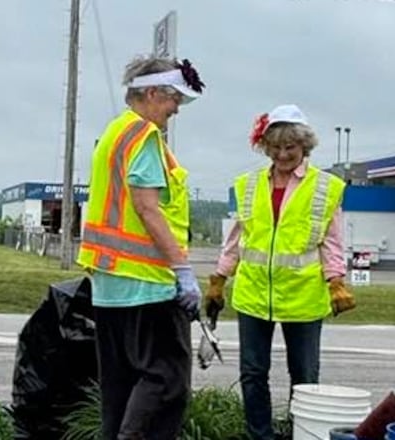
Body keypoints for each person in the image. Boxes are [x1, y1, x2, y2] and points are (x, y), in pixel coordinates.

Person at [204, 104, 355, 440]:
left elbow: (330, 242)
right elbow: (236, 239)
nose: (283, 154)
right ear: (265, 147)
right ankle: (261, 435)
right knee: (253, 373)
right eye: (275, 147)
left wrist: (337, 282)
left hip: (303, 298)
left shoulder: (325, 187)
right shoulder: (247, 184)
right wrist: (218, 279)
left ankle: (301, 433)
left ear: (305, 147)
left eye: (291, 147)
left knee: (304, 377)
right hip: (254, 296)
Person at [76, 55, 206, 439]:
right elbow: (148, 209)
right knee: (167, 382)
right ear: (151, 93)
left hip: (111, 285)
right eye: (173, 100)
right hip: (146, 284)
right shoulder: (145, 137)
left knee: (120, 388)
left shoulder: (116, 133)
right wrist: (182, 269)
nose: (176, 110)